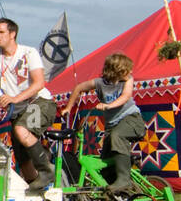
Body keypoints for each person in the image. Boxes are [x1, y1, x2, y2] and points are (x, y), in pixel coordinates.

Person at [0, 17, 58, 191]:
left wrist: (14, 99)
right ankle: (40, 195)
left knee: (21, 131)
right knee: (22, 159)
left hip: (39, 102)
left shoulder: (28, 52)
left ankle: (47, 170)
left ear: (13, 34)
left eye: (1, 32)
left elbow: (39, 83)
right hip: (18, 109)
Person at [62, 52, 145, 193]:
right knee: (105, 164)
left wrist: (108, 105)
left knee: (117, 137)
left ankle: (124, 179)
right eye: (127, 70)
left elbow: (125, 97)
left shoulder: (128, 80)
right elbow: (78, 88)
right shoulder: (99, 83)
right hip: (112, 126)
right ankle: (117, 195)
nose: (131, 72)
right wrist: (68, 108)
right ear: (116, 71)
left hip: (131, 119)